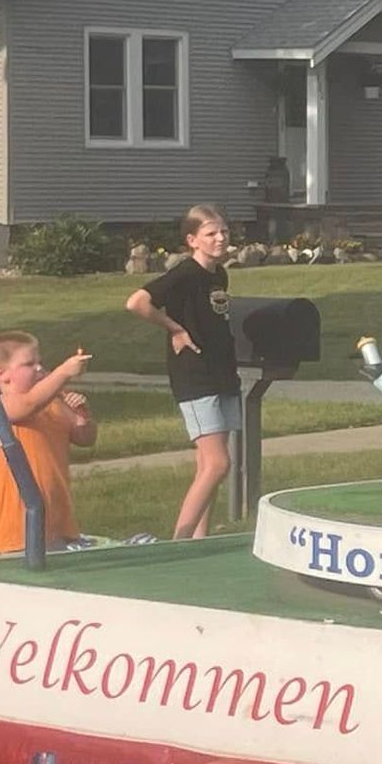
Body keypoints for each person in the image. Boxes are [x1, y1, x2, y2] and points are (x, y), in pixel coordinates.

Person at [126, 205, 240, 540]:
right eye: (211, 233)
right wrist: (174, 328)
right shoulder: (185, 274)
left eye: (224, 232)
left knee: (208, 465)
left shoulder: (218, 274)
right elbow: (137, 302)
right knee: (219, 463)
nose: (220, 238)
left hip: (222, 372)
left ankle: (198, 540)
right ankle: (179, 540)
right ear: (192, 240)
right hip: (195, 375)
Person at [0, 332, 94, 554]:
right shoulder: (2, 407)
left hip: (56, 524)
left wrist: (82, 415)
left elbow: (86, 438)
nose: (39, 368)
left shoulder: (53, 405)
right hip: (16, 533)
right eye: (28, 364)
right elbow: (28, 405)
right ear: (2, 374)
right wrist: (63, 372)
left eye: (39, 362)